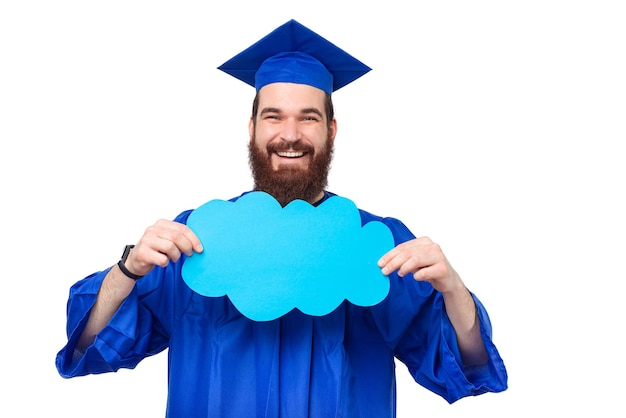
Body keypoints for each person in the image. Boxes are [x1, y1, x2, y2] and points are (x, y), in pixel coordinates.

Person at [56, 19, 508, 417]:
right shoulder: (198, 238)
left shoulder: (375, 244)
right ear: (251, 128)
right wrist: (127, 268)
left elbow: (465, 364)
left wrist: (453, 288)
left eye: (308, 118)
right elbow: (90, 345)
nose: (290, 135)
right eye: (273, 117)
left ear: (331, 130)